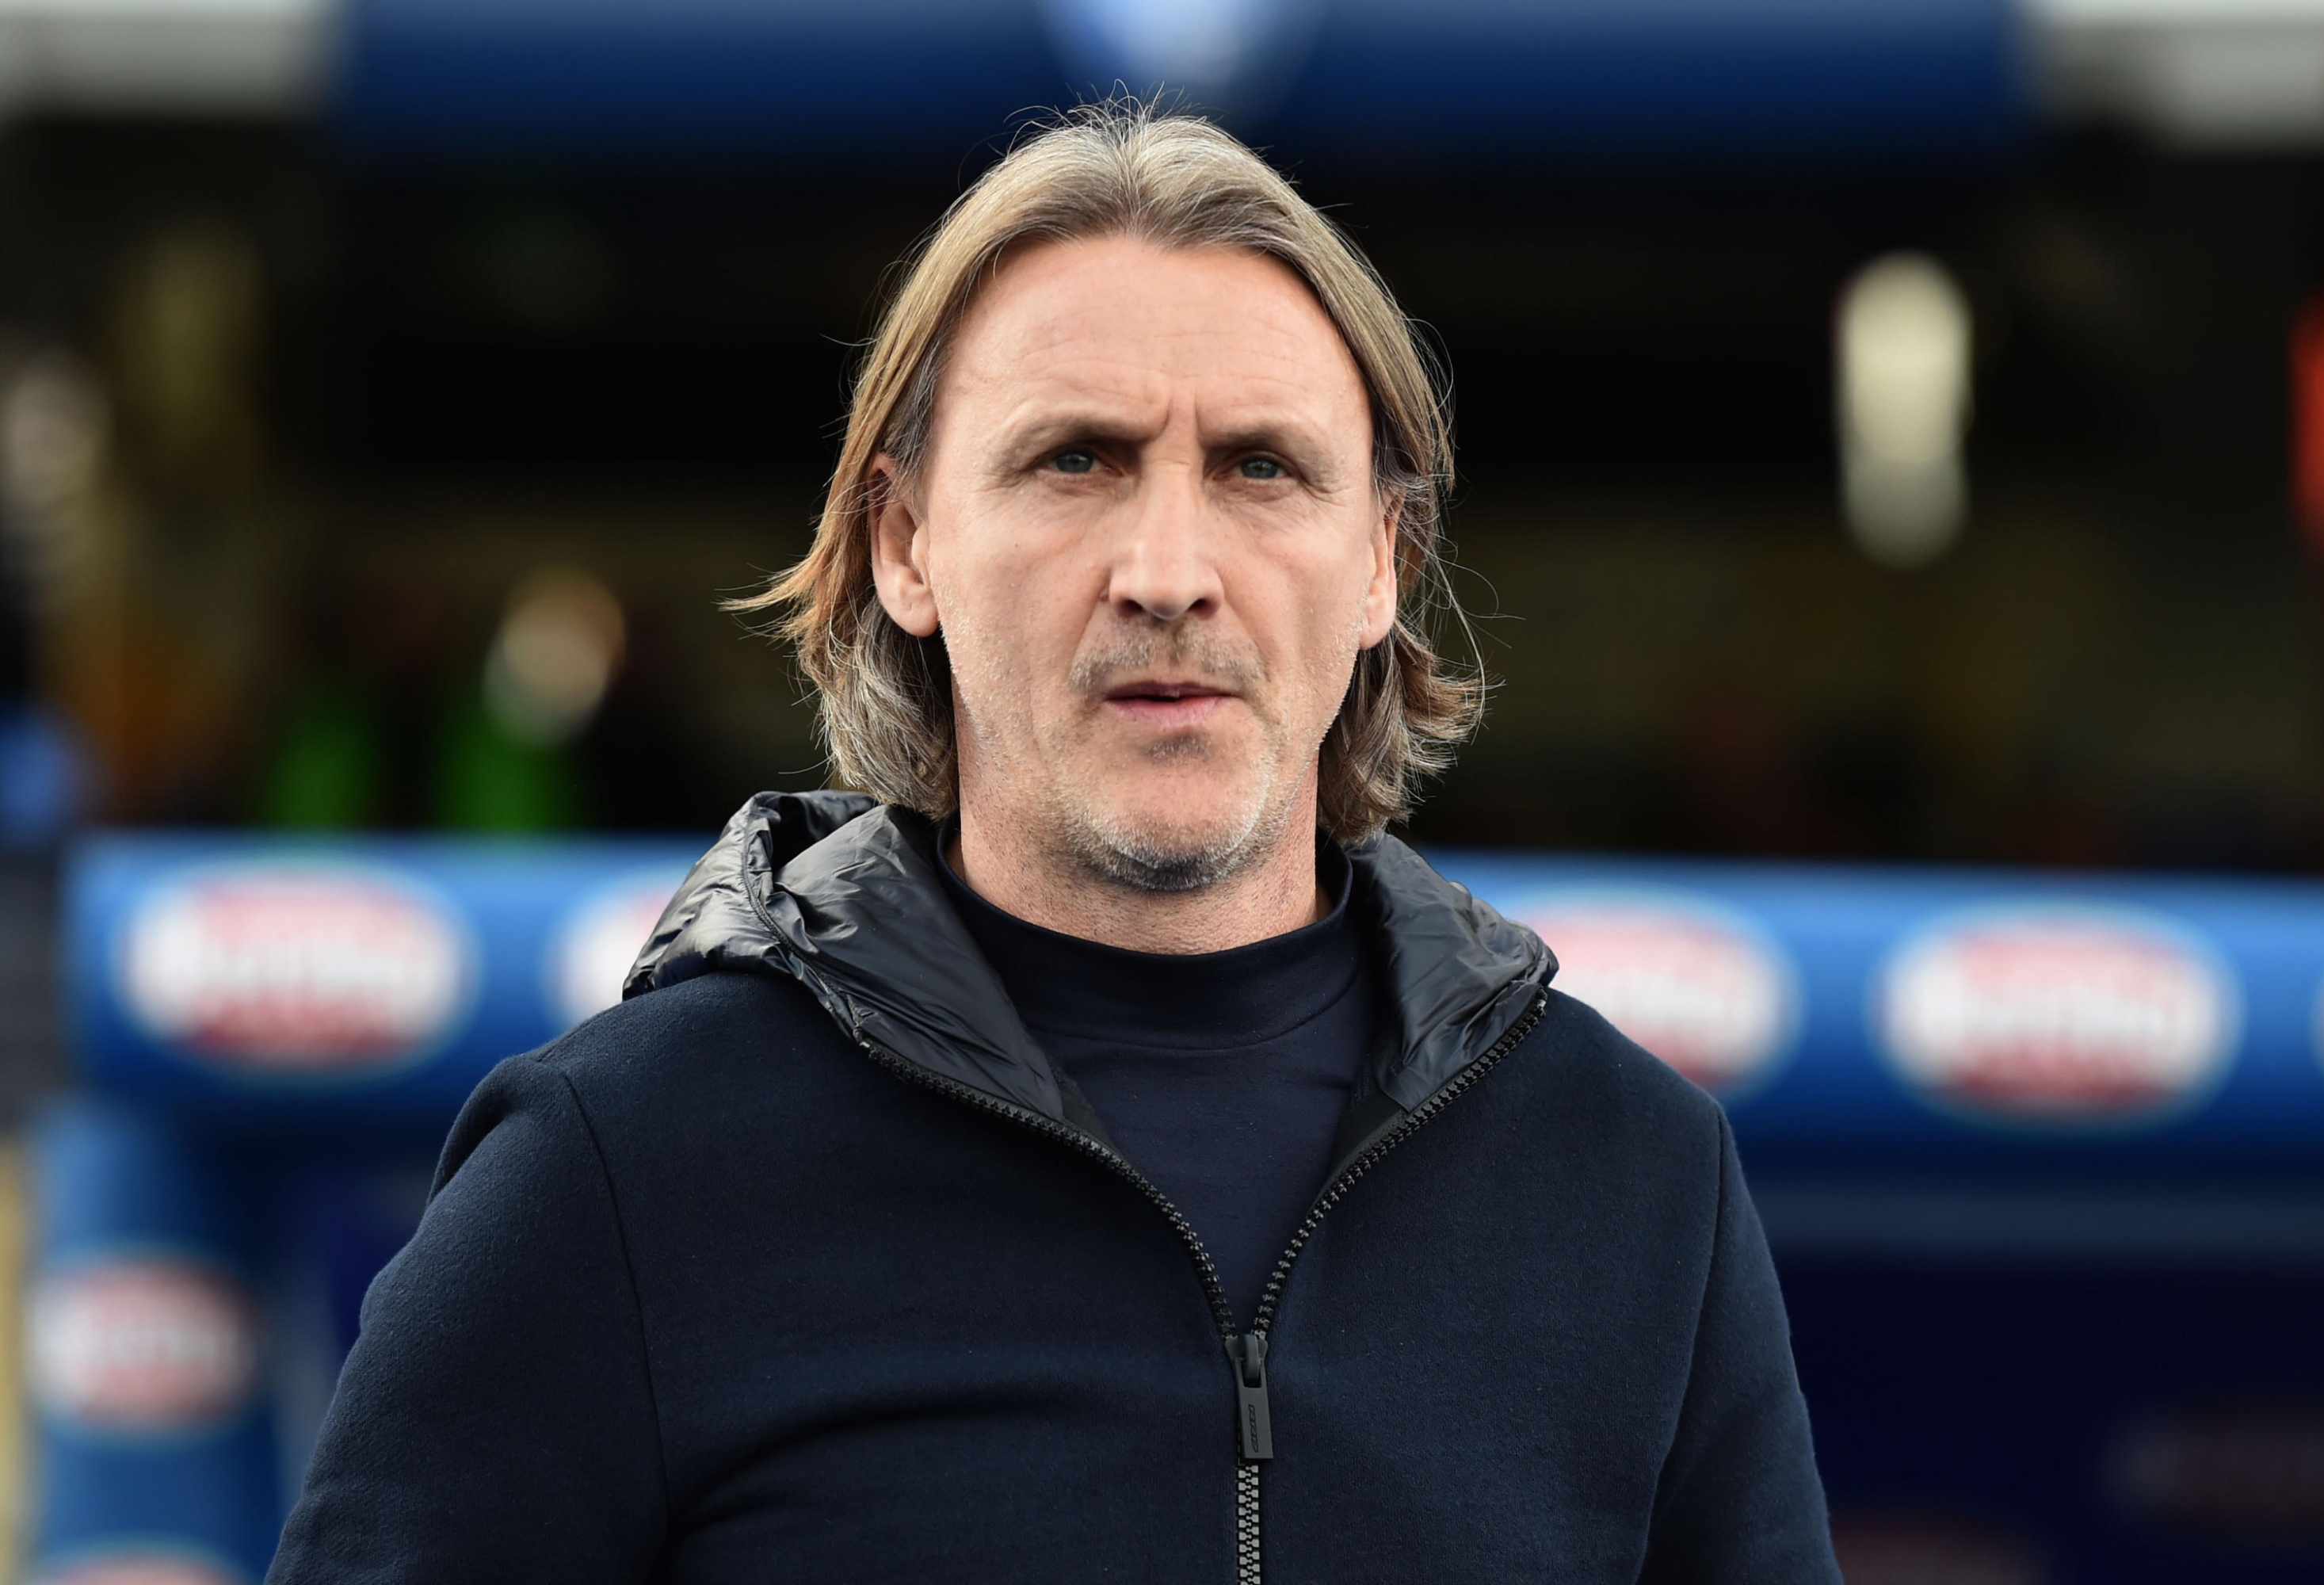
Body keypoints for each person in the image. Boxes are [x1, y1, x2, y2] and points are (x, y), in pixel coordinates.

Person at [267, 103, 1837, 1584]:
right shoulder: (616, 1171)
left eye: (1259, 466)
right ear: (905, 544)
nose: (1169, 569)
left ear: (1381, 564)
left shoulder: (1635, 1177)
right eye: (1074, 458)